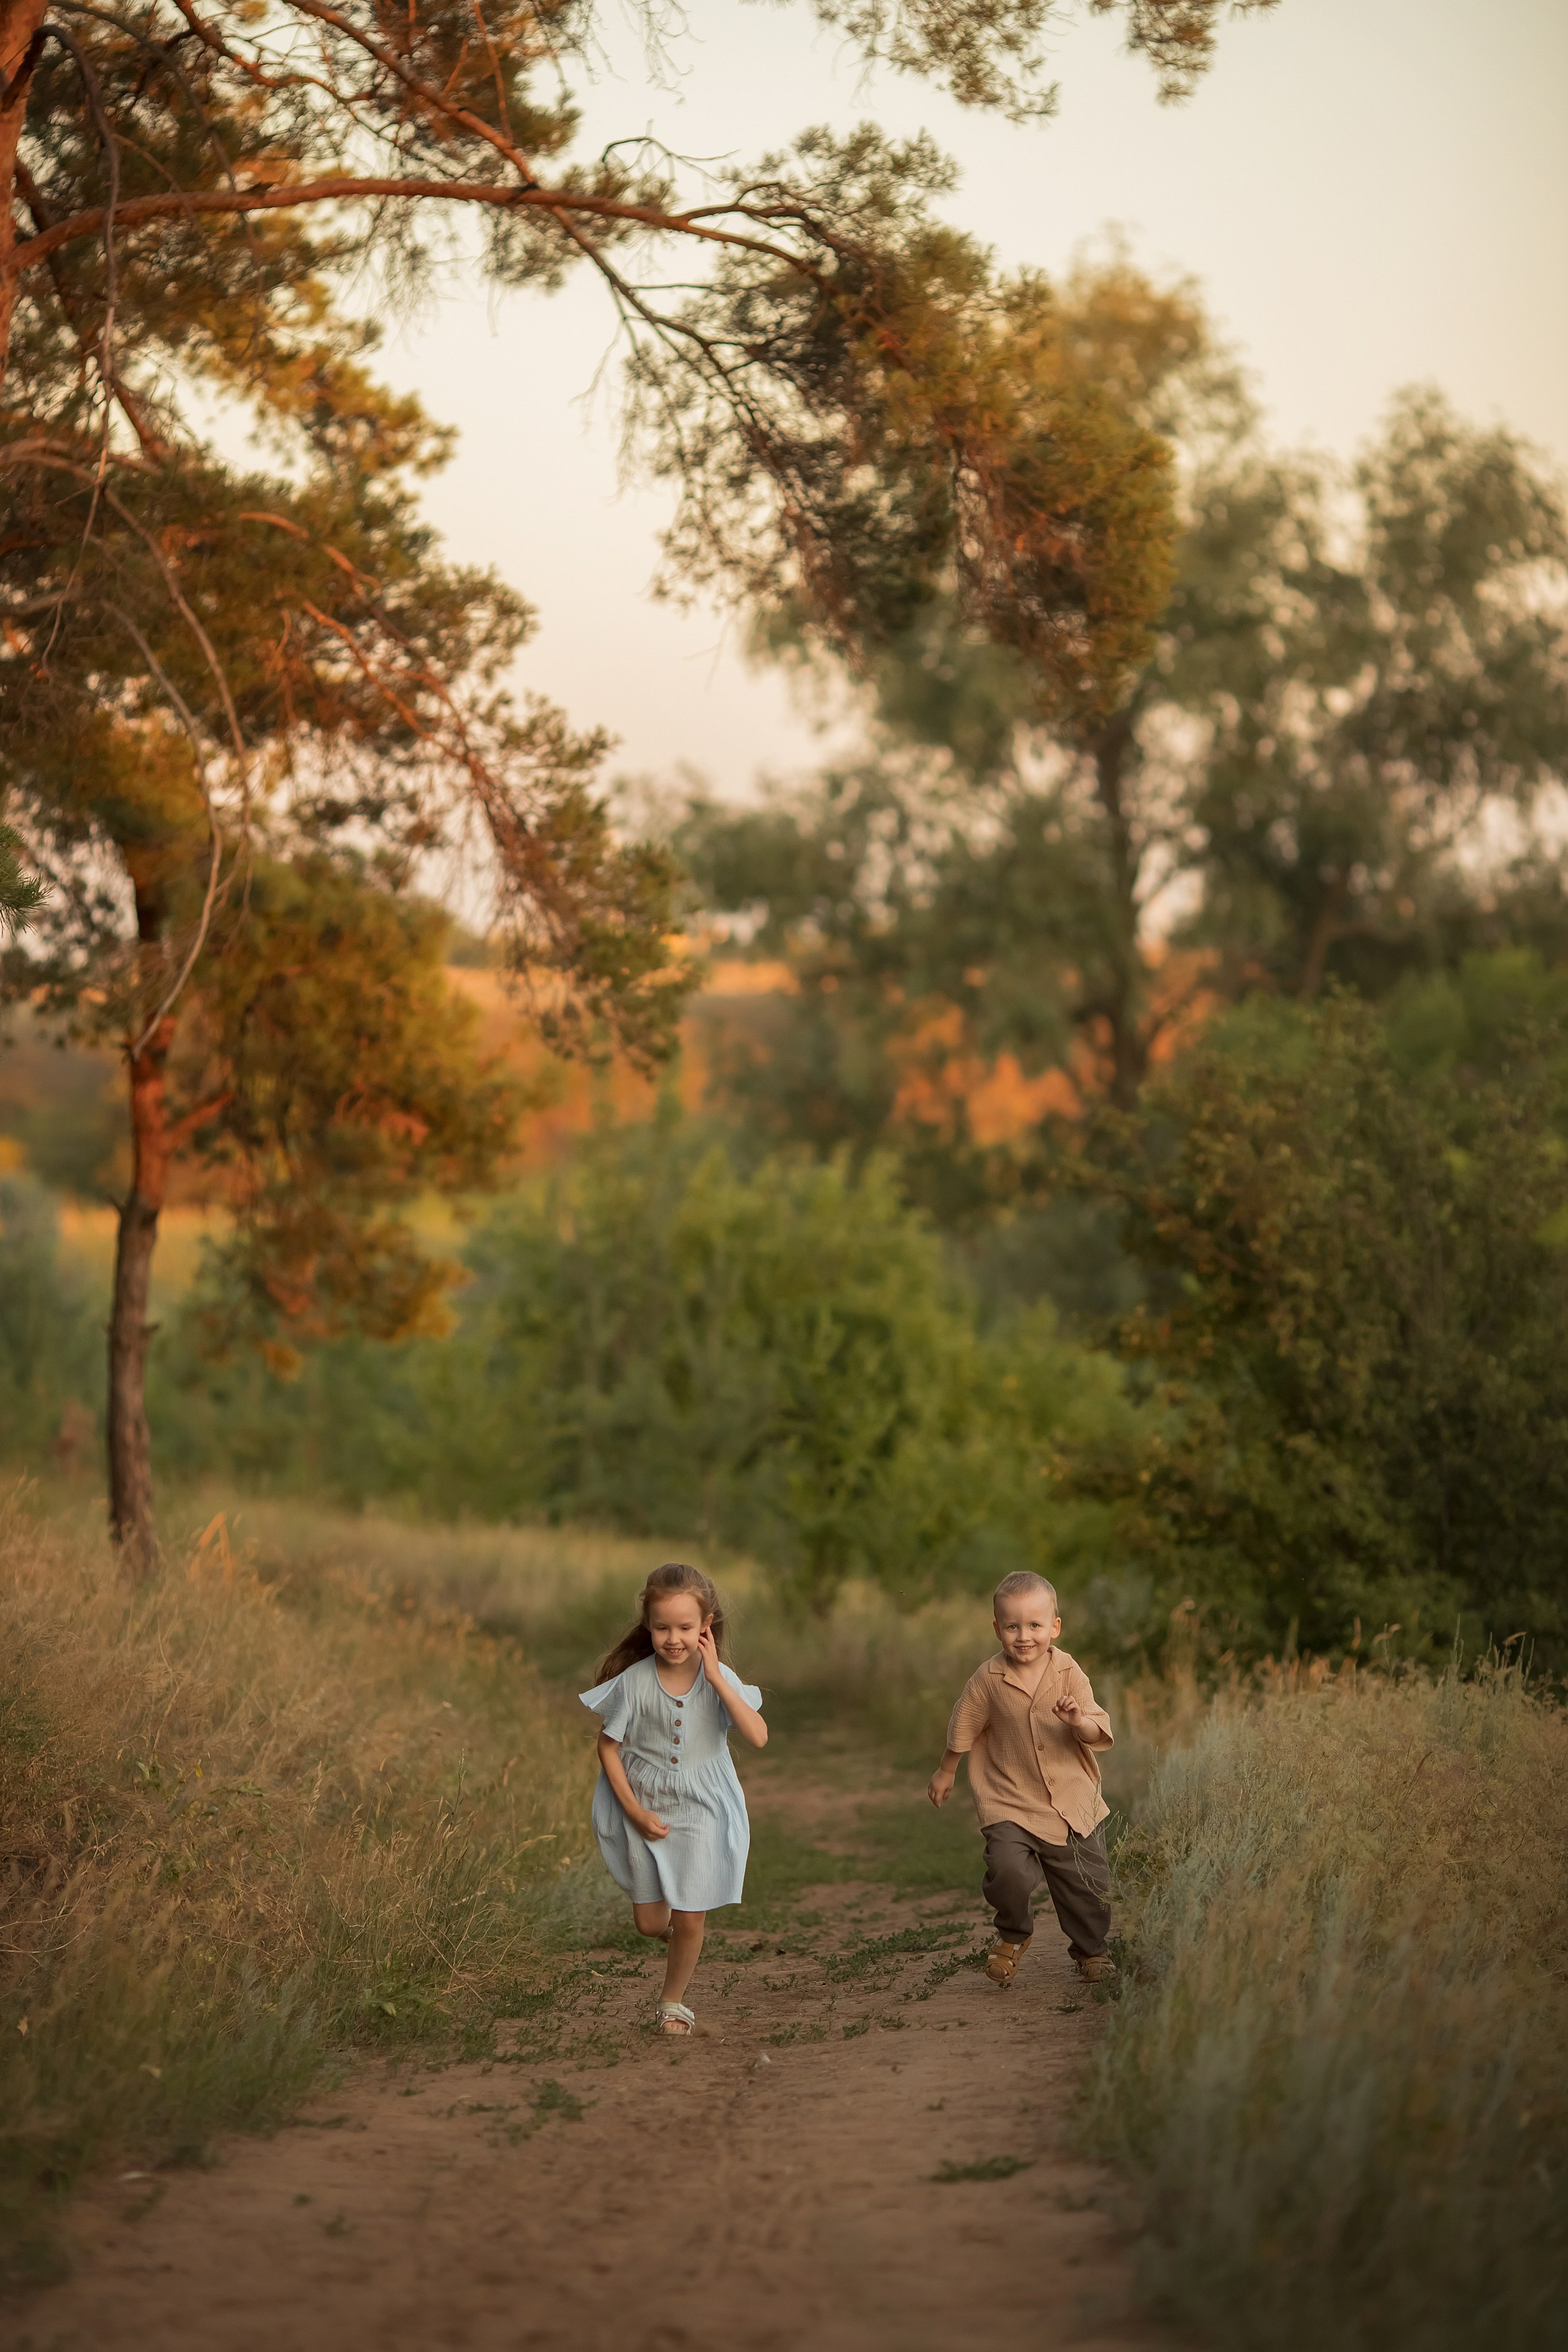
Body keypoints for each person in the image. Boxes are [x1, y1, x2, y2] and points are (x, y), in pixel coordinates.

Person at [579, 1562, 767, 2035]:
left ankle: (671, 2004)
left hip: (703, 1804)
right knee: (649, 1923)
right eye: (662, 1627)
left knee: (690, 1913)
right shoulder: (636, 1682)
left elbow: (759, 1736)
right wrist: (636, 1813)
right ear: (648, 1625)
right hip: (646, 1802)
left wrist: (719, 1679)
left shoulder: (719, 1676)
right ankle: (677, 1933)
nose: (673, 1638)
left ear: (705, 1626)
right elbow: (608, 1747)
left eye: (685, 1627)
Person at [926, 1570, 1116, 1987]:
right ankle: (1013, 1935)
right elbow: (964, 1726)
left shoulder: (1068, 1671)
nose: (1024, 1636)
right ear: (997, 1628)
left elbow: (1097, 1729)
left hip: (1072, 1799)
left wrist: (1077, 1720)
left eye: (1035, 1625)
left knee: (1090, 1882)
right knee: (1007, 1868)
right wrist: (946, 1769)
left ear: (1055, 1627)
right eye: (1012, 1626)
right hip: (1010, 1799)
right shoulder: (987, 1680)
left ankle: (1092, 1952)